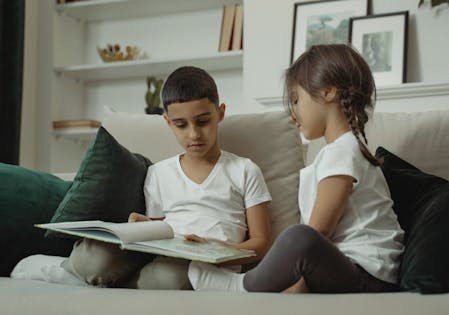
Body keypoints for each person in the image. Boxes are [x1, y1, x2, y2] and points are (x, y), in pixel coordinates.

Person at [188, 44, 405, 293]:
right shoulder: (341, 151)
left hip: (367, 273)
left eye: (296, 100)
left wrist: (295, 283)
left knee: (299, 237)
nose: (293, 114)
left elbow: (320, 233)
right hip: (360, 272)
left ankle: (241, 287)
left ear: (328, 92)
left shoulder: (342, 151)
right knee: (300, 237)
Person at [60, 66, 273, 289]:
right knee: (93, 258)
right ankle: (80, 271)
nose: (194, 134)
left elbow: (261, 242)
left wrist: (216, 251)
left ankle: (101, 282)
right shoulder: (159, 173)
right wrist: (146, 224)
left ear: (220, 113)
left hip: (204, 264)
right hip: (164, 249)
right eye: (181, 125)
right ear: (168, 122)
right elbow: (162, 229)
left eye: (202, 122)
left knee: (168, 275)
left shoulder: (244, 170)